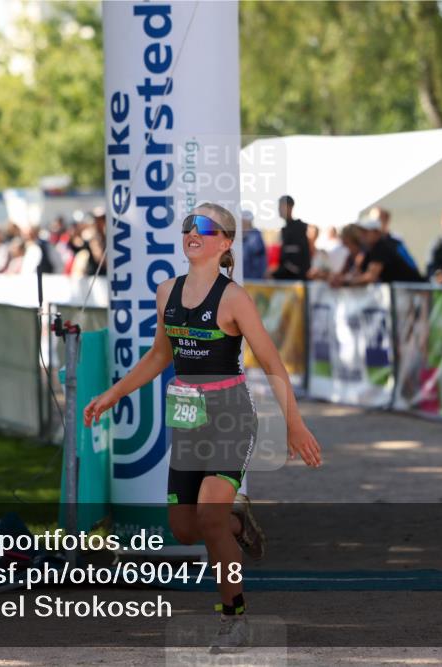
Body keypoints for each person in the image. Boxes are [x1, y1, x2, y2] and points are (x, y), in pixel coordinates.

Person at [82, 203, 321, 651]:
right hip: (188, 417)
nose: (194, 232)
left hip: (230, 415)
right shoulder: (166, 290)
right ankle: (234, 521)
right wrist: (115, 393)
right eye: (190, 225)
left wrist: (295, 424)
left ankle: (235, 616)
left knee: (207, 517)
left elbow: (271, 362)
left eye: (206, 227)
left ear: (225, 242)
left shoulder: (234, 299)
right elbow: (160, 355)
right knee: (187, 530)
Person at [347, 217, 423, 285]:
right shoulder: (369, 249)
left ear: (376, 232)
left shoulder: (382, 247)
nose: (362, 235)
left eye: (365, 231)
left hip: (412, 291)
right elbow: (358, 270)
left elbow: (371, 277)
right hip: (403, 292)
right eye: (360, 231)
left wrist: (347, 282)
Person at [271, 195, 312, 280]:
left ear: (289, 207)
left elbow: (295, 263)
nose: (279, 209)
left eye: (281, 206)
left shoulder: (298, 229)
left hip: (295, 281)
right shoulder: (285, 230)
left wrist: (274, 274)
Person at [369, 206, 418, 271]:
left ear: (386, 221)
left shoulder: (396, 241)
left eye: (377, 220)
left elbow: (410, 264)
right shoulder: (368, 245)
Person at [240, 210, 268, 280]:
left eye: (244, 222)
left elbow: (258, 260)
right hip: (244, 277)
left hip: (254, 278)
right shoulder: (240, 236)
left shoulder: (255, 236)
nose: (243, 224)